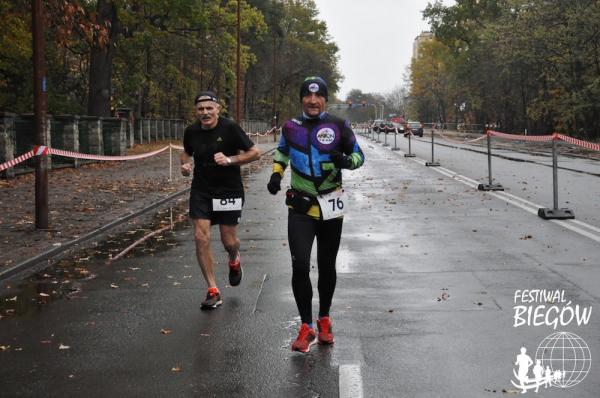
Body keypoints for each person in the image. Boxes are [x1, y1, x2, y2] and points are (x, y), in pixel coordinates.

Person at [267, 76, 365, 352]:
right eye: (308, 97)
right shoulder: (291, 126)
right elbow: (282, 154)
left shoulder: (338, 125)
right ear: (302, 99)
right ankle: (305, 326)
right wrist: (276, 176)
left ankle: (324, 318)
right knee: (299, 265)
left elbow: (359, 156)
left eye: (318, 96)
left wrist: (347, 161)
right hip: (301, 206)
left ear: (324, 98)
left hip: (331, 204)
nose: (312, 101)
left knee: (326, 264)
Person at [181, 91, 261, 309]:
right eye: (200, 109)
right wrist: (186, 165)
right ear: (196, 112)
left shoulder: (230, 128)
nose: (205, 113)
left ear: (218, 109)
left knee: (229, 241)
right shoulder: (191, 131)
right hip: (202, 189)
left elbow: (255, 153)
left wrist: (230, 159)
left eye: (209, 108)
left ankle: (234, 259)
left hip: (229, 189)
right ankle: (213, 289)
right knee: (200, 236)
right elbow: (186, 153)